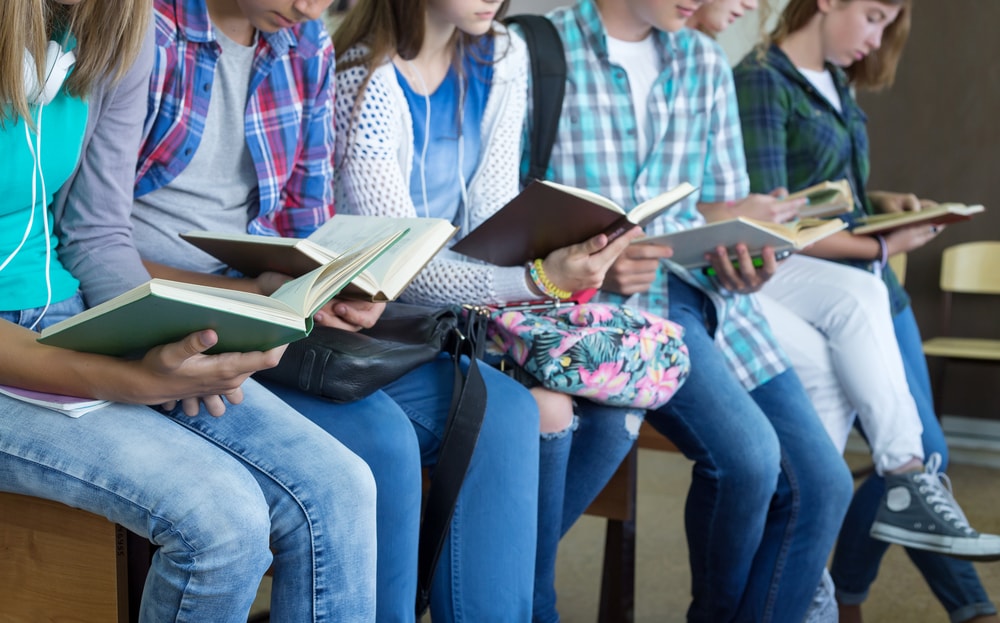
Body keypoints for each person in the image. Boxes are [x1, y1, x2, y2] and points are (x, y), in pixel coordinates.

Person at [54, 0, 542, 620]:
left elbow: (306, 225)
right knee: (382, 442)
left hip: (266, 305)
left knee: (504, 409)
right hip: (174, 309)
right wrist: (254, 295)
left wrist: (331, 282)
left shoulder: (305, 41)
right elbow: (89, 239)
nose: (313, 8)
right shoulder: (148, 29)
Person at [2, 1, 378, 622]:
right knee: (223, 522)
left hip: (63, 313)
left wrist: (184, 339)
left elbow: (95, 233)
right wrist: (129, 379)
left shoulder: (117, 25)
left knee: (339, 486)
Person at [330, 2, 671, 621]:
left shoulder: (501, 55)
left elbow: (491, 211)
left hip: (473, 310)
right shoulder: (365, 76)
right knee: (548, 409)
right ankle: (526, 599)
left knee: (619, 410)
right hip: (395, 319)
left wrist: (559, 257)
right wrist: (537, 279)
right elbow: (404, 264)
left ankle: (517, 587)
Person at [522, 1, 856, 621]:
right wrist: (592, 265)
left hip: (708, 298)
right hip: (615, 317)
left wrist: (744, 257)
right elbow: (501, 214)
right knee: (750, 463)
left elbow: (719, 206)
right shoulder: (538, 50)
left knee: (825, 486)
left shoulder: (702, 60)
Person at [733, 1, 1000, 621]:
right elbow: (777, 224)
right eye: (874, 17)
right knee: (914, 452)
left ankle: (842, 593)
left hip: (871, 285)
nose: (876, 39)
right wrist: (884, 242)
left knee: (917, 456)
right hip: (824, 282)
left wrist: (881, 204)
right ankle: (944, 604)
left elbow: (829, 193)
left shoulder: (839, 84)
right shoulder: (761, 81)